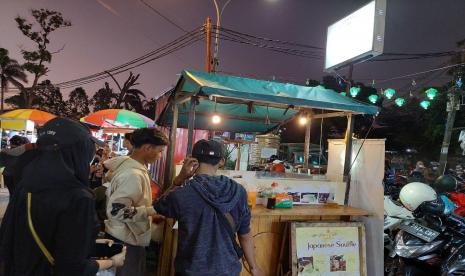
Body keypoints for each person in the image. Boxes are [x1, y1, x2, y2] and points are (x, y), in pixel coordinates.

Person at [0, 117, 126, 275]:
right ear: (79, 152)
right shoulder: (78, 197)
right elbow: (71, 268)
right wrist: (112, 262)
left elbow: (31, 238)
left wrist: (90, 242)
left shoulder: (26, 184)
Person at [153, 139, 264, 276]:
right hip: (227, 270)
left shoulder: (182, 194)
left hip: (191, 270)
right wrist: (254, 267)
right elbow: (245, 235)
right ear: (222, 161)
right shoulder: (238, 191)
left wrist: (179, 179)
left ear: (192, 160)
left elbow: (158, 206)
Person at [104, 127, 169, 276]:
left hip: (125, 237)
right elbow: (116, 211)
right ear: (147, 148)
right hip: (126, 241)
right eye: (159, 151)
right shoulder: (132, 174)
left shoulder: (130, 167)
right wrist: (152, 210)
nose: (160, 156)